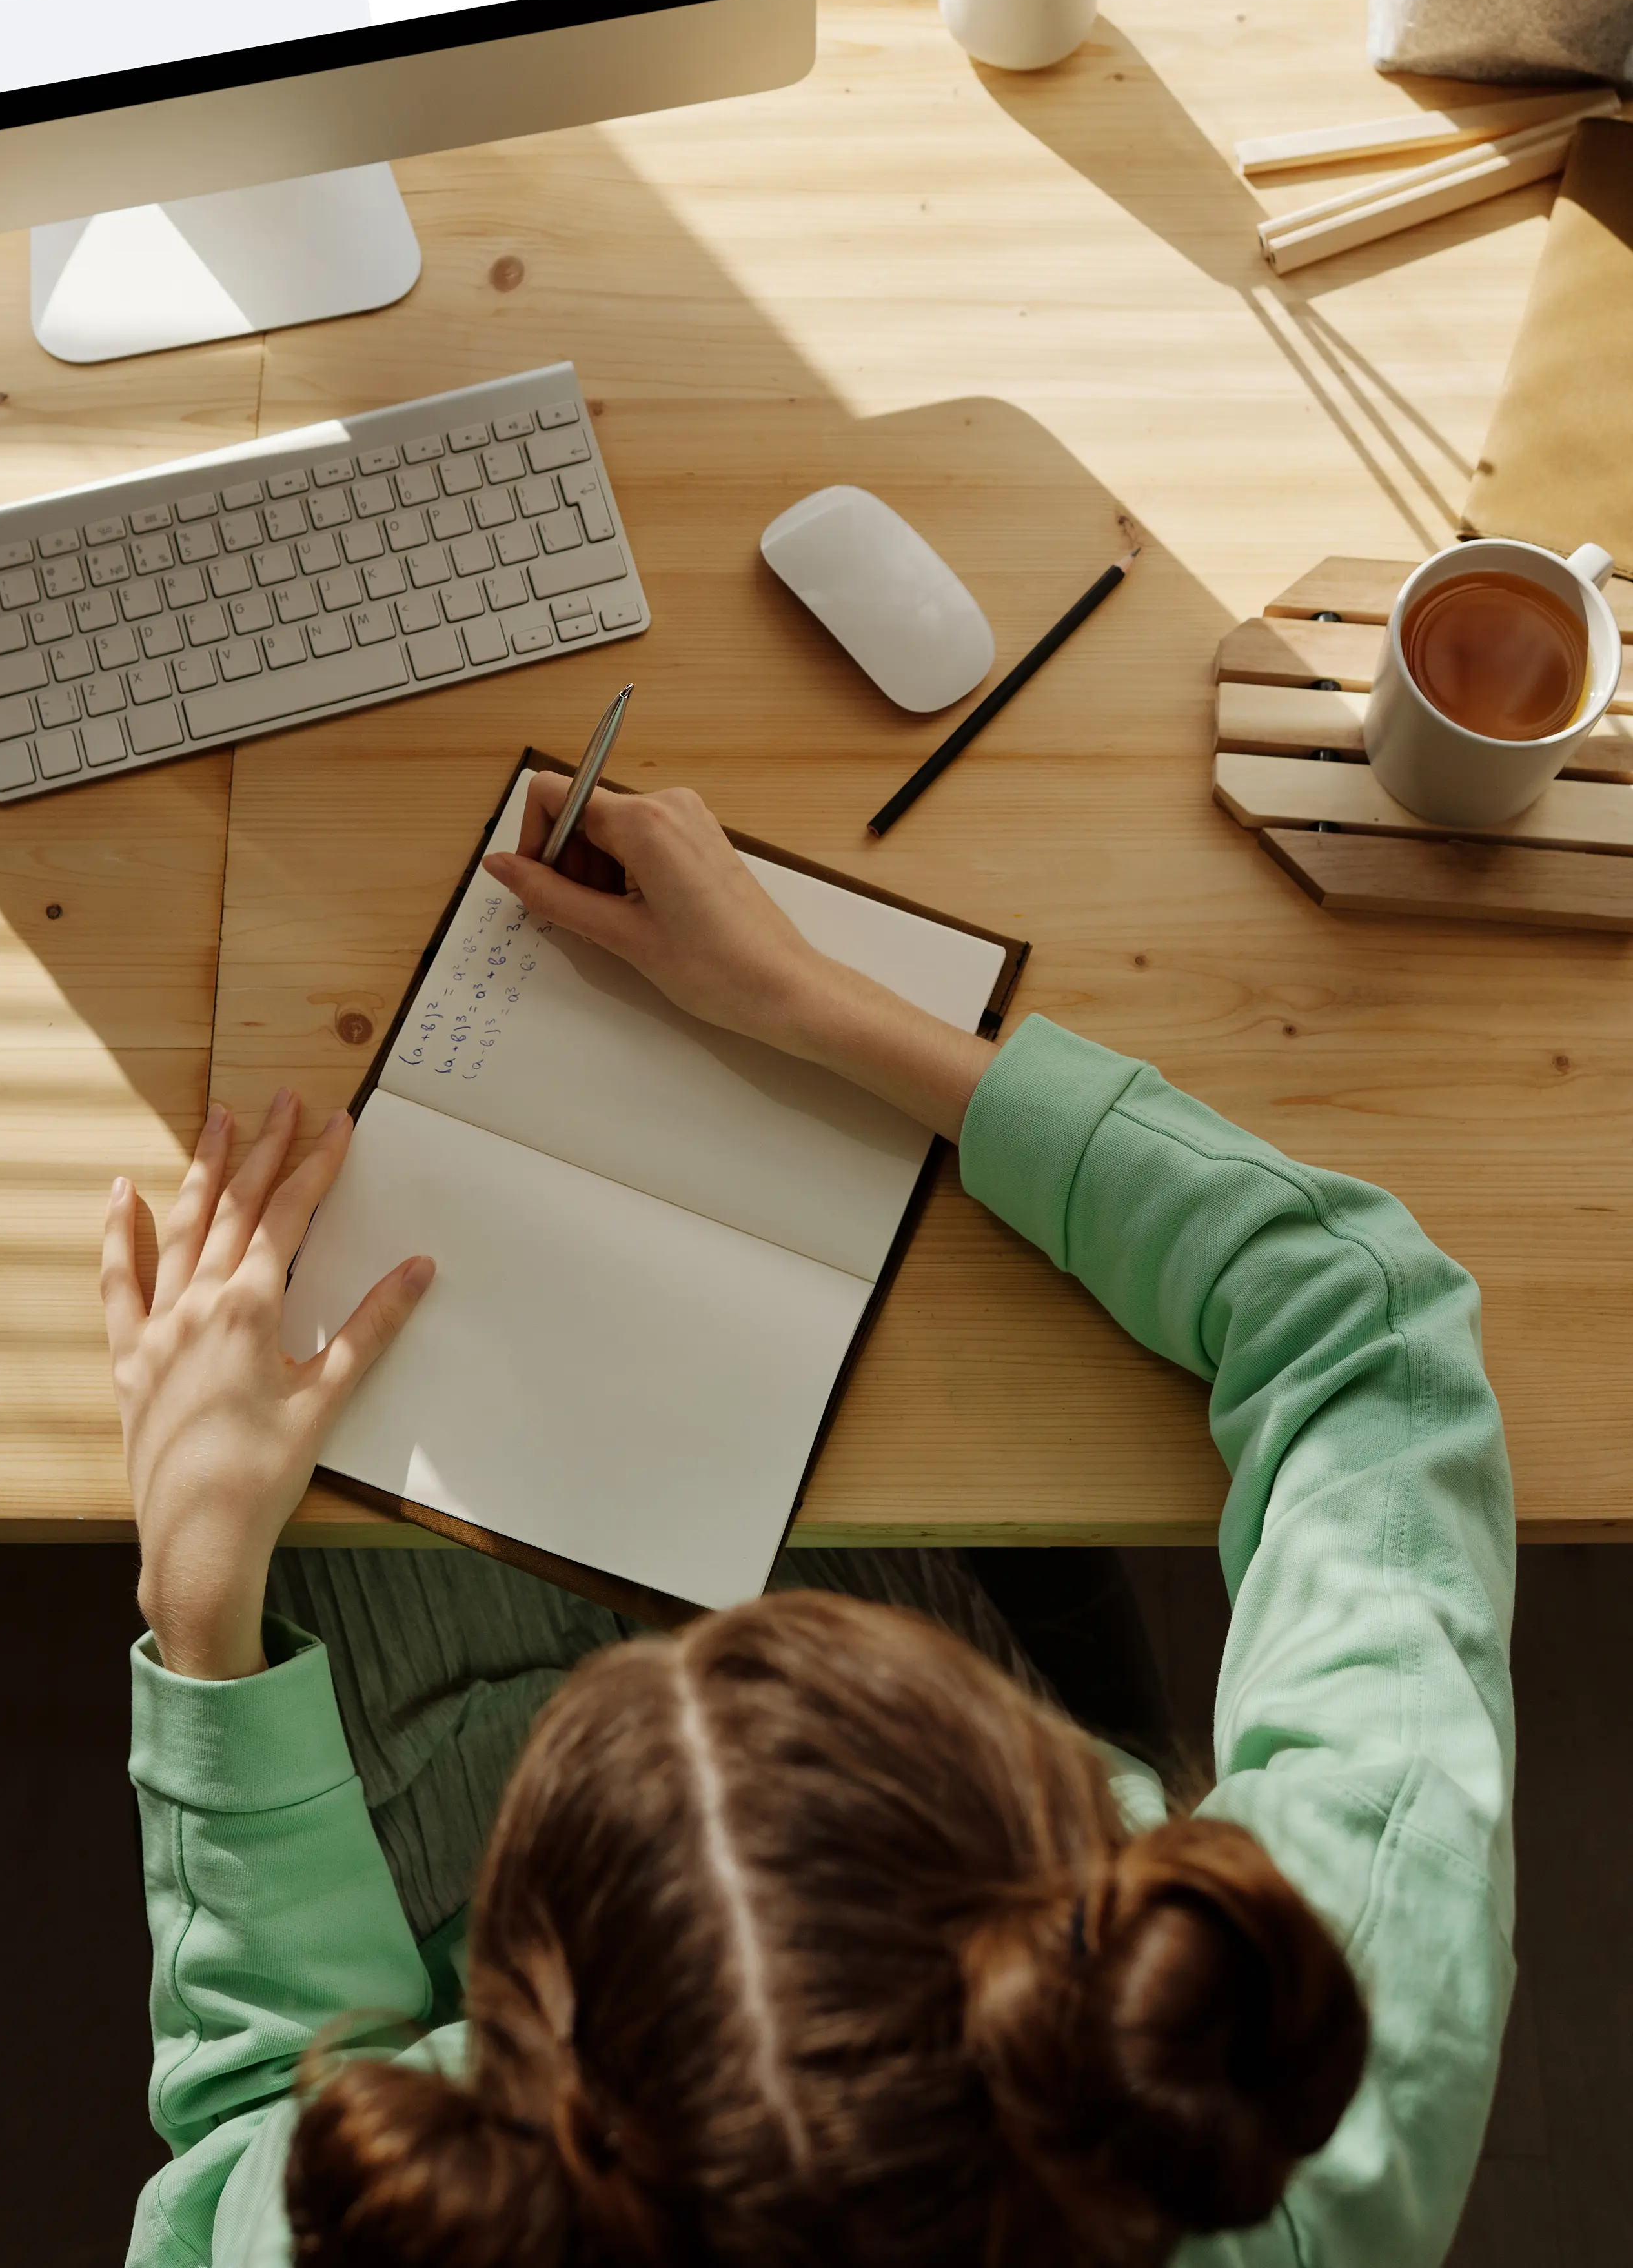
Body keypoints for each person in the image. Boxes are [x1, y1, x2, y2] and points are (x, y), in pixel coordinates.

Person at [101, 777, 1514, 2268]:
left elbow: (258, 2136)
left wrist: (200, 1612)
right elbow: (1369, 1327)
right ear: (1073, 1874)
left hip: (391, 1895)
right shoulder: (1305, 2063)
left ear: (535, 2060)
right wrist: (818, 1005)